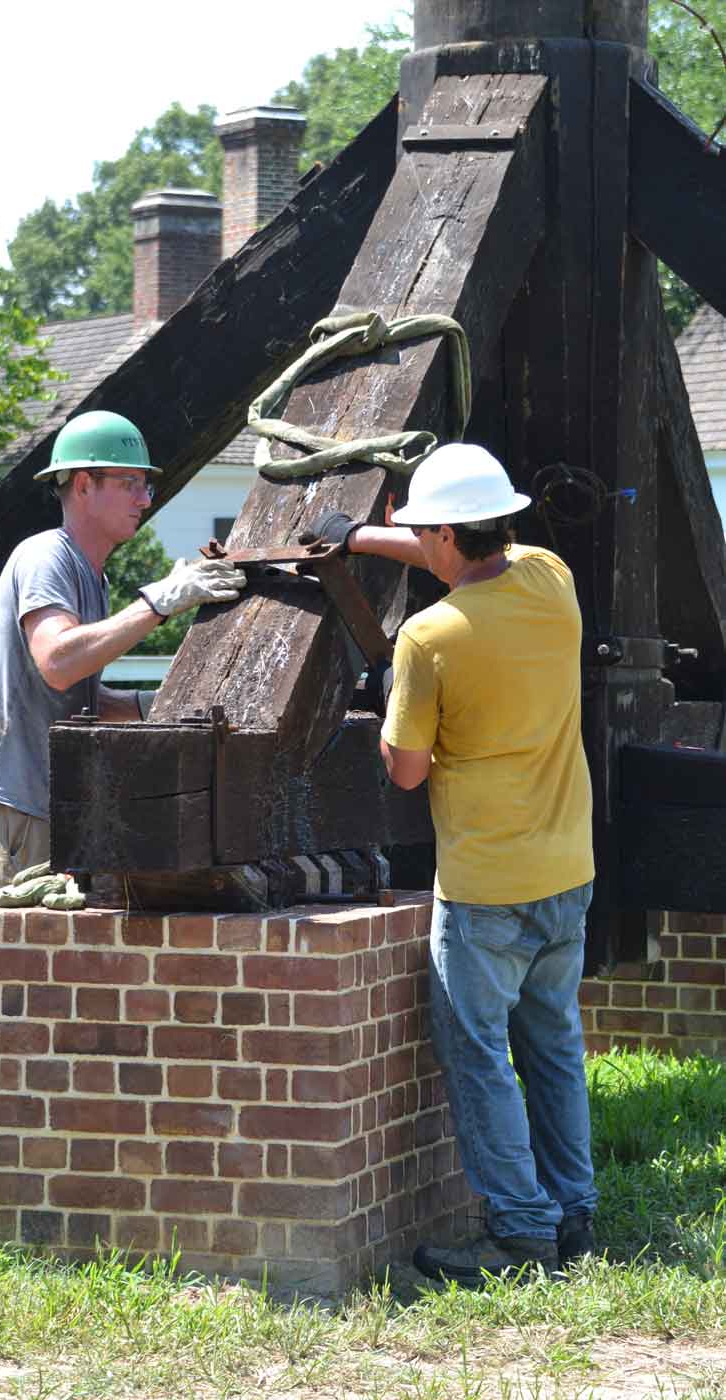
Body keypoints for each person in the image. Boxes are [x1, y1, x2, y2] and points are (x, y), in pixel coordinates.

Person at [308, 442, 596, 1286]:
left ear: (439, 535)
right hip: (566, 868)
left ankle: (517, 1235)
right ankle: (572, 1214)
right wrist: (362, 538)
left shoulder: (427, 638)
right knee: (551, 1045)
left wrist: (389, 711)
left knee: (478, 1058)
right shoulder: (551, 577)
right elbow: (460, 548)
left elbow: (405, 769)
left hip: (482, 890)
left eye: (421, 531)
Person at [0, 410, 246, 906]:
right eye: (130, 483)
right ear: (83, 485)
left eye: (145, 485)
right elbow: (59, 663)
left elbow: (76, 696)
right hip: (9, 810)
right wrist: (161, 602)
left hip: (38, 807)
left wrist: (157, 704)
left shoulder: (90, 576)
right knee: (8, 974)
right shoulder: (47, 557)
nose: (145, 499)